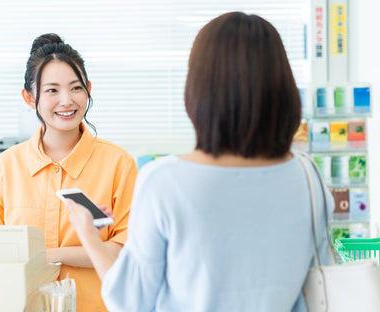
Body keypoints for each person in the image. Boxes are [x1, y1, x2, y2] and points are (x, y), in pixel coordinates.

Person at [64, 12, 334, 312]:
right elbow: (316, 288)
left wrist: (88, 234)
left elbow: (131, 302)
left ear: (199, 89)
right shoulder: (308, 177)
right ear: (283, 88)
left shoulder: (164, 181)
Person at [0, 34, 138, 312]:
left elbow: (125, 252)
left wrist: (45, 255)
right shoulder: (5, 168)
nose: (67, 100)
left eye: (76, 88)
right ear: (29, 97)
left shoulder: (119, 164)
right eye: (52, 90)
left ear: (88, 89)